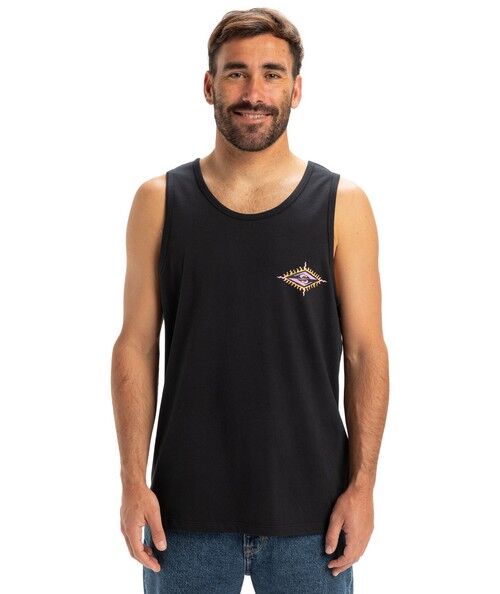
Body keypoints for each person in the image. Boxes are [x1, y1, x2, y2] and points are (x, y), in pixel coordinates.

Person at [111, 7, 389, 594]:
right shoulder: (159, 201)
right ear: (209, 85)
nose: (254, 92)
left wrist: (362, 488)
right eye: (236, 73)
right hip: (182, 517)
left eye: (272, 73)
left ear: (296, 89)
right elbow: (135, 347)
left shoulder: (342, 205)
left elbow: (366, 353)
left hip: (314, 522)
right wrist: (132, 481)